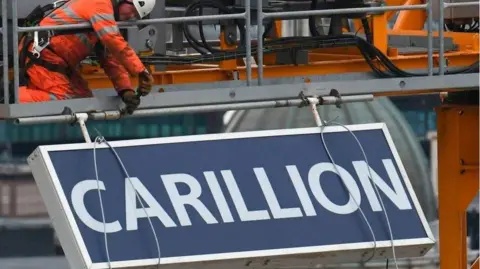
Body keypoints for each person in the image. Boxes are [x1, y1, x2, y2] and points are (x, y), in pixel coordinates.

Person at [18, 0, 156, 114]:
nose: (131, 16)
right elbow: (113, 40)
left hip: (56, 61)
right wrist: (140, 70)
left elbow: (110, 59)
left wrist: (125, 90)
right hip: (43, 57)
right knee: (67, 101)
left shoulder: (104, 18)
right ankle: (12, 98)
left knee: (85, 101)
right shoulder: (100, 4)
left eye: (136, 16)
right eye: (132, 10)